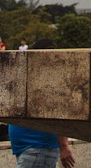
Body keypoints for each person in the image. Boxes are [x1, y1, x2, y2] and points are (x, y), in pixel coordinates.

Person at [6, 39, 76, 167]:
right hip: (33, 149)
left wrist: (64, 146)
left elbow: (61, 114)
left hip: (38, 149)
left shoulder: (52, 83)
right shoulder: (38, 79)